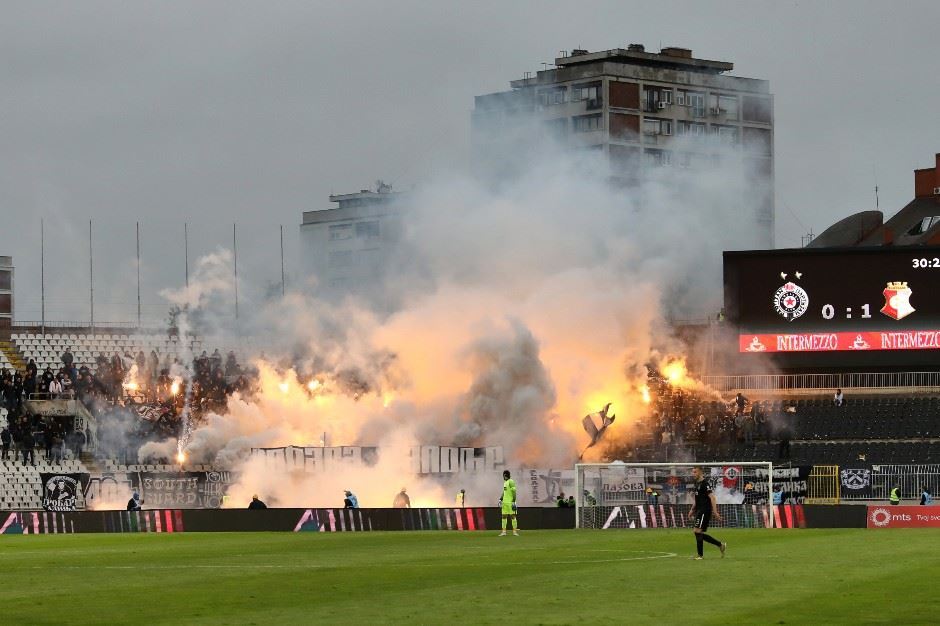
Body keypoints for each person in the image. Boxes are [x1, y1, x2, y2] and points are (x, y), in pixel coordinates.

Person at [689, 467, 725, 560]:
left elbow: (712, 498)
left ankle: (700, 556)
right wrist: (692, 510)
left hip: (705, 510)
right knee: (697, 532)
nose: (693, 474)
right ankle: (720, 544)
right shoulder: (697, 484)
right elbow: (697, 499)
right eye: (692, 472)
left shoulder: (705, 484)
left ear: (700, 472)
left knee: (697, 531)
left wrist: (715, 512)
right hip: (699, 510)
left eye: (695, 472)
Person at [498, 469, 519, 536]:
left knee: (513, 516)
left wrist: (513, 501)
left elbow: (514, 492)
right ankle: (504, 532)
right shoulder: (505, 483)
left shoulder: (511, 481)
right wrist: (500, 499)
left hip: (510, 503)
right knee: (504, 516)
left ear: (505, 475)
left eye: (503, 475)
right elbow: (504, 492)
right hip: (505, 503)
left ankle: (514, 532)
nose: (503, 477)